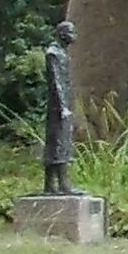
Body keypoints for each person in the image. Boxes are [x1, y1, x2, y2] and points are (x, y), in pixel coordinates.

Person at [40, 18, 77, 197]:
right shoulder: (53, 53)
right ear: (62, 34)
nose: (74, 36)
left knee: (60, 144)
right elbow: (56, 83)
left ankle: (53, 185)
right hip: (57, 107)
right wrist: (63, 107)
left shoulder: (61, 53)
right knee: (58, 144)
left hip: (63, 105)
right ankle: (60, 184)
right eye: (71, 32)